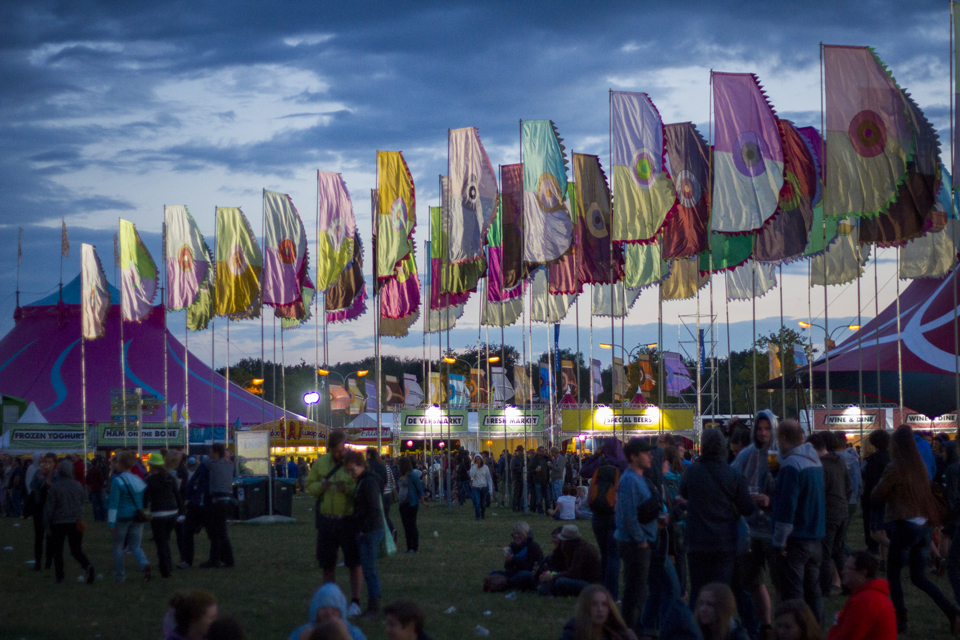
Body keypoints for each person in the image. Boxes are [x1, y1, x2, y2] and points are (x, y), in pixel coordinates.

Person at [871, 424, 960, 634]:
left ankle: (900, 621)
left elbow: (877, 494)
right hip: (924, 527)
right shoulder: (919, 465)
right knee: (918, 577)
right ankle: (951, 611)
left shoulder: (895, 467)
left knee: (893, 575)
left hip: (905, 525)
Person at [680, 428, 755, 608]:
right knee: (720, 593)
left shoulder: (691, 472)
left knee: (698, 592)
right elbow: (747, 508)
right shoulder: (733, 474)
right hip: (724, 542)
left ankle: (696, 631)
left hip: (697, 541)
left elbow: (683, 494)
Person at [771, 419, 825, 627]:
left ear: (784, 439)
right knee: (814, 591)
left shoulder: (792, 465)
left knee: (794, 593)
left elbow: (787, 508)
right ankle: (815, 629)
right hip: (816, 536)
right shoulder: (815, 461)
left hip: (797, 539)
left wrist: (779, 541)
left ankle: (798, 630)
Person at [730, 410, 776, 638]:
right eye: (759, 428)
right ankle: (764, 625)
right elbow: (733, 481)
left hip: (775, 528)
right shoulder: (747, 455)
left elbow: (788, 491)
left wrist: (770, 500)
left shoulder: (779, 455)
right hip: (750, 527)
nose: (763, 433)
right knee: (752, 580)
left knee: (780, 581)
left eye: (767, 428)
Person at [307, 429, 362, 616]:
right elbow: (309, 486)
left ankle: (356, 601)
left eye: (342, 449)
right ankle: (331, 600)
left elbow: (359, 487)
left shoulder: (352, 461)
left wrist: (346, 489)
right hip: (327, 520)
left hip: (347, 519)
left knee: (354, 562)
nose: (341, 453)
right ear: (329, 449)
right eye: (337, 451)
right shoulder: (321, 464)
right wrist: (320, 487)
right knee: (328, 564)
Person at [614, 438, 657, 637]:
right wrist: (641, 539)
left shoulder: (638, 478)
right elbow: (628, 516)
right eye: (645, 453)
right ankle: (629, 629)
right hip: (634, 544)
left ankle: (634, 627)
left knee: (640, 590)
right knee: (634, 591)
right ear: (633, 456)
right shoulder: (630, 480)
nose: (650, 456)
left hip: (640, 540)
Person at [806, 432, 851, 599]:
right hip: (842, 510)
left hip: (829, 513)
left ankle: (824, 590)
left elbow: (818, 492)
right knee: (838, 550)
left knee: (825, 553)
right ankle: (848, 585)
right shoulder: (839, 461)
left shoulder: (820, 466)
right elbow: (848, 485)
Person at [344, 448, 385, 620]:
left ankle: (374, 608)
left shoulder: (368, 482)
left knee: (369, 570)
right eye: (348, 471)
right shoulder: (365, 480)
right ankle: (373, 606)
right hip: (368, 528)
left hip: (370, 530)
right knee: (369, 569)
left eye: (352, 469)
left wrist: (362, 527)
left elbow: (373, 508)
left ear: (361, 465)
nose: (351, 473)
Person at [824, 551, 896, 640]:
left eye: (847, 568)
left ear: (862, 572)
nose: (842, 572)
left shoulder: (865, 602)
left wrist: (836, 624)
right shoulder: (871, 595)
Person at [43, 459, 95, 585]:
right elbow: (82, 502)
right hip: (75, 521)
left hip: (58, 522)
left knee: (58, 551)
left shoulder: (55, 487)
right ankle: (87, 566)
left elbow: (49, 508)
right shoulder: (78, 485)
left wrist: (47, 525)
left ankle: (59, 577)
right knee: (76, 549)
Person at [108, 449, 151, 582]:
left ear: (120, 463)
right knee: (135, 546)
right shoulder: (138, 480)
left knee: (118, 547)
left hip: (122, 516)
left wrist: (111, 522)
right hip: (138, 516)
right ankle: (144, 564)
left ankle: (120, 576)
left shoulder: (118, 481)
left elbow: (113, 504)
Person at [143, 451, 184, 578]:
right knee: (165, 540)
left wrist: (144, 511)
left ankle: (165, 570)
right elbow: (177, 496)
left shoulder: (150, 480)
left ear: (151, 465)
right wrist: (181, 512)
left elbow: (146, 499)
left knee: (161, 543)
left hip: (158, 514)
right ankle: (168, 566)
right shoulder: (170, 478)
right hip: (172, 513)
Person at [537, 524, 602, 597]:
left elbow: (573, 573)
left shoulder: (581, 551)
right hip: (583, 580)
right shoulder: (576, 548)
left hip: (590, 585)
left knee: (560, 581)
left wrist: (552, 576)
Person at [288, 583, 367, 640]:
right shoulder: (303, 632)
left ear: (342, 611)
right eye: (324, 608)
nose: (329, 613)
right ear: (315, 610)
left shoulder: (353, 632)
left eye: (334, 609)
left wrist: (345, 636)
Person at [590, 458, 621, 600]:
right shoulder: (619, 473)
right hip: (614, 516)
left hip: (597, 515)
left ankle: (602, 590)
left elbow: (584, 471)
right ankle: (612, 594)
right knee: (614, 556)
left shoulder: (597, 473)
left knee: (604, 554)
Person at [558, 584, 637, 640]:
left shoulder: (617, 634)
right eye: (594, 604)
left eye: (604, 604)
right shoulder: (573, 632)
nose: (600, 609)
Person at [200, 443, 235, 569]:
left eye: (211, 452)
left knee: (219, 532)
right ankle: (216, 559)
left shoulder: (212, 464)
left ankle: (227, 560)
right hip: (227, 501)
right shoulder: (230, 465)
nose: (209, 454)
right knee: (219, 531)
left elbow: (204, 462)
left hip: (217, 502)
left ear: (216, 453)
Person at [860, 429, 890, 558]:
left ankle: (901, 551)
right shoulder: (892, 457)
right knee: (884, 530)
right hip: (889, 497)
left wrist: (867, 498)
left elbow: (870, 481)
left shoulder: (874, 459)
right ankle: (884, 560)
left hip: (877, 497)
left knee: (876, 532)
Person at [489, 521, 544, 591]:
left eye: (519, 534)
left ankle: (506, 584)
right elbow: (508, 569)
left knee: (526, 575)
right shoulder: (512, 546)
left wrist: (514, 559)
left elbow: (531, 568)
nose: (516, 536)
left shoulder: (533, 546)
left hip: (528, 574)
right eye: (515, 534)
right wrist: (508, 560)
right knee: (493, 573)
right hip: (514, 574)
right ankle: (507, 583)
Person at [28, 452, 55, 571]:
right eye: (45, 462)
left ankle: (48, 562)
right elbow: (32, 485)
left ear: (55, 463)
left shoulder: (57, 476)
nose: (47, 464)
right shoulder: (38, 473)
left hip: (52, 509)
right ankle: (37, 563)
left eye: (50, 462)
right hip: (39, 507)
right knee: (38, 536)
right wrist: (40, 475)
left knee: (51, 536)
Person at [179, 455, 206, 569]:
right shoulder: (205, 467)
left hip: (197, 504)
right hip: (200, 504)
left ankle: (187, 560)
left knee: (188, 532)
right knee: (215, 533)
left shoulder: (202, 468)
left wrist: (188, 498)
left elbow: (190, 485)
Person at [397, 456, 424, 553]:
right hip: (402, 503)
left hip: (411, 503)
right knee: (406, 525)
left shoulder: (412, 475)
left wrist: (423, 501)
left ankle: (415, 547)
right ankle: (409, 547)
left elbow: (419, 488)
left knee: (412, 525)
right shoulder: (401, 475)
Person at [469, 454, 491, 520]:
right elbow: (471, 475)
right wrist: (475, 466)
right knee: (477, 502)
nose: (477, 461)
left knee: (483, 503)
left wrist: (490, 488)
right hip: (476, 487)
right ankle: (477, 516)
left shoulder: (485, 467)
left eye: (478, 459)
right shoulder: (473, 467)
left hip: (484, 487)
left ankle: (483, 514)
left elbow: (488, 477)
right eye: (476, 459)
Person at [86, 455, 108, 522]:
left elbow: (87, 479)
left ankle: (96, 518)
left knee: (95, 504)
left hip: (92, 488)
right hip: (99, 488)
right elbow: (101, 480)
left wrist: (89, 486)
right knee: (101, 503)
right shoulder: (99, 470)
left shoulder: (89, 470)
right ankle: (102, 517)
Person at [510, 445, 525, 511]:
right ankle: (514, 507)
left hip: (521, 478)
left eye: (522, 451)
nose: (522, 452)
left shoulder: (522, 459)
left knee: (520, 493)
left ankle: (519, 506)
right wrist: (520, 469)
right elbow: (512, 468)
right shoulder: (514, 459)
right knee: (516, 493)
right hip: (516, 478)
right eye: (521, 451)